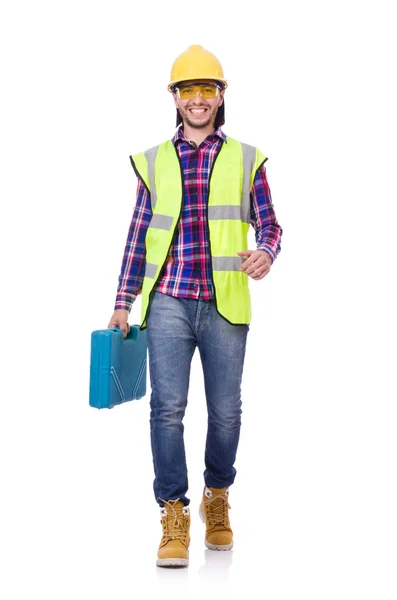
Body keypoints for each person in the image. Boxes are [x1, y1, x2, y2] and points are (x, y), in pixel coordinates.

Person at [107, 44, 283, 568]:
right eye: (188, 91)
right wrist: (123, 301)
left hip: (225, 304)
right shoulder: (155, 160)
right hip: (167, 303)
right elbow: (139, 234)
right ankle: (174, 512)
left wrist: (266, 252)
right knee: (168, 410)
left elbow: (271, 224)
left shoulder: (247, 158)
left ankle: (218, 496)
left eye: (207, 89)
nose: (198, 100)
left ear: (221, 95)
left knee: (227, 413)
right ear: (176, 99)